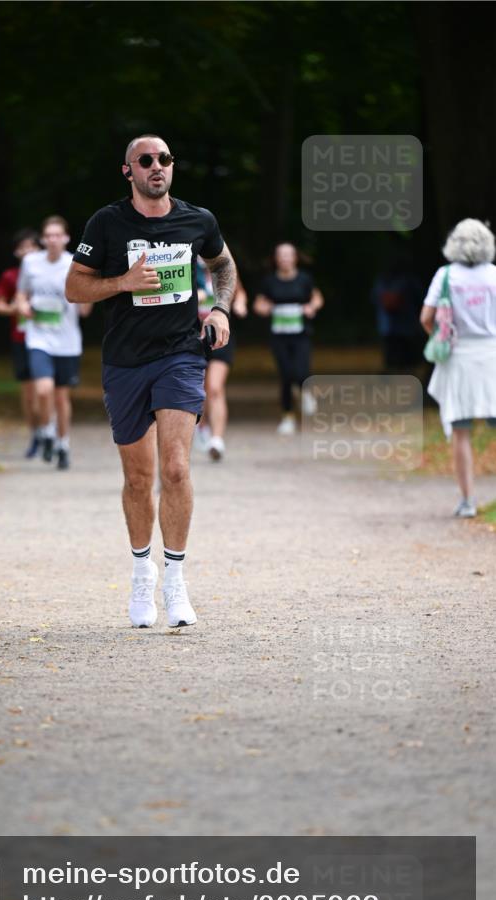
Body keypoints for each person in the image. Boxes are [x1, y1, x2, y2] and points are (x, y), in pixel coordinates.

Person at [66, 134, 236, 627]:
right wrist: (122, 282)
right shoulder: (108, 223)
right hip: (124, 361)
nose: (156, 166)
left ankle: (176, 580)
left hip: (180, 354)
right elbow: (75, 286)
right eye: (146, 160)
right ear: (129, 171)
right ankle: (142, 571)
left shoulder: (197, 219)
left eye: (164, 159)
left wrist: (221, 308)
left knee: (177, 469)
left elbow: (222, 263)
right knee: (139, 478)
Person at [420, 218, 496, 518]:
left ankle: (467, 501)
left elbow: (427, 317)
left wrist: (441, 338)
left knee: (461, 432)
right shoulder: (494, 275)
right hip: (492, 357)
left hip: (459, 359)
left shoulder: (446, 275)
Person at [16, 216, 92, 469]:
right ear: (42, 239)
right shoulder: (30, 263)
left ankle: (63, 442)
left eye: (57, 235)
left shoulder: (75, 264)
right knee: (43, 389)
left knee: (61, 398)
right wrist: (24, 306)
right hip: (38, 337)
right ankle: (46, 430)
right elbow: (21, 294)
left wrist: (86, 297)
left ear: (66, 238)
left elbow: (85, 310)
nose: (52, 239)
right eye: (48, 235)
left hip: (67, 341)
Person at [253, 242, 324, 434]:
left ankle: (307, 392)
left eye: (288, 255)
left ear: (295, 257)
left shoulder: (304, 279)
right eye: (281, 255)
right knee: (285, 375)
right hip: (279, 336)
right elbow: (258, 304)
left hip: (301, 334)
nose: (285, 258)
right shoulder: (269, 281)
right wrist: (264, 308)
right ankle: (288, 417)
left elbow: (317, 298)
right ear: (276, 259)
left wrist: (312, 307)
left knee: (301, 371)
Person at [0, 228, 41, 457]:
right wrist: (17, 308)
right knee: (29, 394)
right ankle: (35, 435)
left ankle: (49, 432)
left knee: (46, 391)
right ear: (16, 252)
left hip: (48, 339)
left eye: (32, 246)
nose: (28, 251)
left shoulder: (48, 273)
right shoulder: (11, 276)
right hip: (21, 338)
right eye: (23, 247)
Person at [195, 257, 248, 461]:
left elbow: (239, 291)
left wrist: (241, 303)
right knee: (198, 389)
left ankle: (217, 440)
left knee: (215, 387)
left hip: (220, 337)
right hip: (193, 336)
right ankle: (201, 426)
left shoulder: (225, 269)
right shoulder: (187, 269)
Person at [371, 255, 425, 373]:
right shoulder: (408, 280)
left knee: (393, 361)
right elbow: (421, 299)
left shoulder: (381, 281)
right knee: (406, 362)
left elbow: (374, 299)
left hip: (388, 327)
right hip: (406, 327)